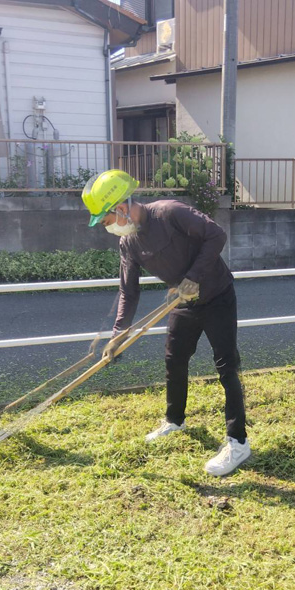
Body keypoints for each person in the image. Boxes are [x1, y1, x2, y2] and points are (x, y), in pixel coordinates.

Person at [81, 169, 250, 476]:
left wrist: (193, 278)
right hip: (183, 302)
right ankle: (175, 420)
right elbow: (128, 291)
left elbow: (216, 235)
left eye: (107, 221)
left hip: (217, 296)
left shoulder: (170, 213)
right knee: (174, 359)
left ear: (120, 208)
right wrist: (119, 334)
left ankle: (237, 442)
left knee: (227, 366)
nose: (109, 228)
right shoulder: (128, 243)